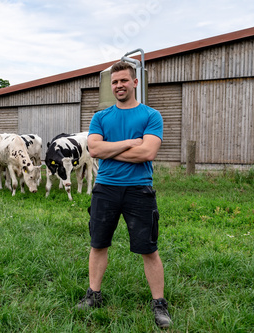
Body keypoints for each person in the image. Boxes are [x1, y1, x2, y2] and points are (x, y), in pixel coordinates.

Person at [76, 61, 171, 329]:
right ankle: (93, 294)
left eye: (124, 81)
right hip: (105, 189)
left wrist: (110, 148)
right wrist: (130, 142)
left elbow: (148, 153)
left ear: (135, 82)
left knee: (149, 249)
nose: (119, 85)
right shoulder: (101, 117)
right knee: (98, 244)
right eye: (115, 82)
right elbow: (94, 150)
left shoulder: (151, 115)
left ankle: (159, 303)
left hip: (139, 189)